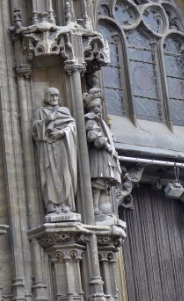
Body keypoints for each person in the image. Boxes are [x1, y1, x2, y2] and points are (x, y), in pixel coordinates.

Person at [32, 88, 78, 215]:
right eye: (51, 96)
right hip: (47, 148)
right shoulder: (40, 112)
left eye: (57, 96)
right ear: (47, 97)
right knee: (50, 175)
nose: (54, 98)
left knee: (65, 173)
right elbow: (34, 130)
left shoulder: (65, 111)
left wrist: (62, 132)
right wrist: (46, 120)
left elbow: (72, 125)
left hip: (63, 146)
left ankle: (66, 205)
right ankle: (52, 206)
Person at [84, 88, 121, 218]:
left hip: (105, 155)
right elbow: (92, 136)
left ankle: (103, 206)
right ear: (93, 107)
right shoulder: (91, 119)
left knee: (105, 181)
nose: (100, 108)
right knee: (99, 180)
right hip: (99, 155)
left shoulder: (100, 120)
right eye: (98, 106)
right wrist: (107, 146)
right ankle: (94, 207)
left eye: (100, 106)